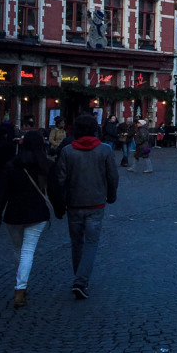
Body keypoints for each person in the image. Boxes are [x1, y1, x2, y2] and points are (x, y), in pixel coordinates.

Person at [0, 131, 65, 309]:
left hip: (14, 214)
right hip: (37, 213)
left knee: (18, 250)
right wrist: (60, 210)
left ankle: (20, 282)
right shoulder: (47, 166)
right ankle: (20, 289)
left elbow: (1, 196)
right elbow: (55, 192)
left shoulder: (11, 166)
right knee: (27, 251)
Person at [56, 114, 118, 300]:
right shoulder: (105, 150)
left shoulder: (67, 151)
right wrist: (111, 195)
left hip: (74, 203)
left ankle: (80, 278)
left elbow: (60, 180)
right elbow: (113, 177)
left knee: (77, 243)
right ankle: (81, 281)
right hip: (96, 203)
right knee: (91, 243)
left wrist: (60, 202)